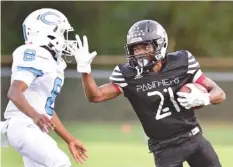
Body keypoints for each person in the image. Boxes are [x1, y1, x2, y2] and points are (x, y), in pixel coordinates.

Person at [72, 20, 226, 167]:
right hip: (165, 148)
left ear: (160, 44)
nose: (139, 53)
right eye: (135, 48)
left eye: (145, 47)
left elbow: (219, 93)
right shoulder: (127, 73)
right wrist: (85, 70)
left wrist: (205, 98)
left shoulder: (183, 61)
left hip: (194, 138)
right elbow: (95, 96)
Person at [0, 8, 88, 167]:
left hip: (34, 129)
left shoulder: (54, 63)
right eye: (62, 33)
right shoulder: (36, 53)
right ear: (47, 32)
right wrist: (34, 115)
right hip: (22, 125)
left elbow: (46, 110)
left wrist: (70, 139)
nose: (65, 39)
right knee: (60, 163)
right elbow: (14, 91)